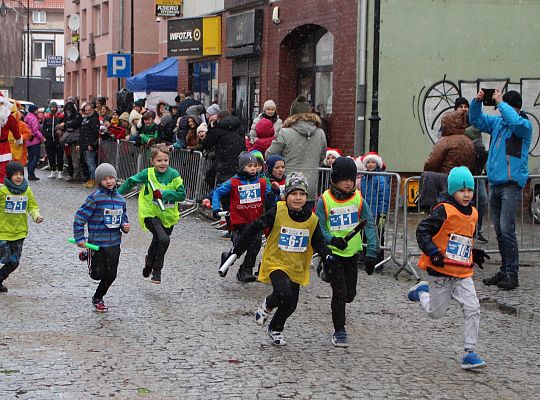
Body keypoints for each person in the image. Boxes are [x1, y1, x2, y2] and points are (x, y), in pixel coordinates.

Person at [230, 172, 334, 346]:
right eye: (294, 194)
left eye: (302, 194)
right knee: (282, 292)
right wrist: (238, 249)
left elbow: (319, 243)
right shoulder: (277, 211)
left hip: (296, 266)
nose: (298, 198)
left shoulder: (312, 219)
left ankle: (275, 328)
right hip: (275, 261)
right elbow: (254, 227)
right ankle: (268, 305)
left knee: (290, 305)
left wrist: (327, 255)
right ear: (286, 195)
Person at [408, 166, 489, 370]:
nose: (466, 194)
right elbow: (422, 231)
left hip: (462, 273)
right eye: (462, 190)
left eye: (469, 190)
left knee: (473, 307)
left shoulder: (474, 213)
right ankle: (421, 292)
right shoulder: (443, 210)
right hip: (441, 271)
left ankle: (470, 353)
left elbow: (464, 238)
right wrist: (433, 252)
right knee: (436, 313)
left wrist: (474, 252)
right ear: (452, 190)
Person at [469, 89, 532, 290]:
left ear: (514, 108)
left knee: (507, 229)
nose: (500, 109)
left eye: (505, 106)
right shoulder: (498, 124)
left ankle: (512, 273)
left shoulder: (523, 126)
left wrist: (500, 103)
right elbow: (476, 120)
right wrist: (477, 102)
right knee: (499, 230)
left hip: (511, 186)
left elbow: (514, 122)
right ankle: (505, 269)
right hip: (495, 184)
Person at [316, 157, 379, 347]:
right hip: (333, 254)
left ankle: (327, 276)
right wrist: (332, 240)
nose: (348, 183)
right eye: (344, 179)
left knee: (350, 294)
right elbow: (319, 228)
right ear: (335, 179)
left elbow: (369, 225)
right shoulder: (324, 201)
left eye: (351, 179)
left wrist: (372, 254)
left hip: (352, 254)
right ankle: (339, 330)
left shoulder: (359, 200)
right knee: (340, 293)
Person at [118, 144, 186, 284]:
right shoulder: (147, 173)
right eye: (159, 160)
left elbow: (182, 195)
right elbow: (131, 181)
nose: (163, 163)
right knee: (164, 239)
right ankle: (157, 271)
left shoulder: (174, 174)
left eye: (165, 160)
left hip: (168, 215)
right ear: (152, 161)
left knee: (158, 240)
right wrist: (114, 195)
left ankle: (149, 262)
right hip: (150, 212)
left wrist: (164, 193)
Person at [73, 163, 130, 312]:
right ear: (99, 181)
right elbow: (80, 217)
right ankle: (88, 253)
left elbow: (123, 217)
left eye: (111, 178)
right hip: (97, 243)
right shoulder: (94, 199)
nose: (109, 181)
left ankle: (98, 297)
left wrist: (125, 225)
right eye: (104, 179)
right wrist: (79, 237)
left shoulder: (120, 199)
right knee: (96, 274)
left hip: (114, 243)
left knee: (111, 274)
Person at [212, 152, 273, 282]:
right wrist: (216, 208)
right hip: (239, 219)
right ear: (241, 167)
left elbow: (271, 196)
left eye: (255, 165)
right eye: (249, 165)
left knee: (254, 244)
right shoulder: (234, 182)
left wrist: (276, 193)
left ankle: (244, 269)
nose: (253, 168)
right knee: (248, 242)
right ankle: (238, 264)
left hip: (256, 219)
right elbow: (217, 192)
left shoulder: (262, 182)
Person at [266, 113, 327, 208]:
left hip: (289, 185)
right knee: (307, 219)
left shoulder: (285, 132)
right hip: (310, 186)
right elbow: (322, 156)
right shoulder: (320, 133)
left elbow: (270, 155)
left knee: (285, 219)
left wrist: (280, 165)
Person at [0, 162, 44, 293]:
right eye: (15, 174)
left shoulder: (27, 190)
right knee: (5, 257)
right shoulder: (2, 190)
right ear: (9, 176)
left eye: (21, 174)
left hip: (19, 232)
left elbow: (32, 206)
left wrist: (36, 216)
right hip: (2, 231)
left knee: (14, 262)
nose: (19, 177)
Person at [456, 97, 488, 244]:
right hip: (459, 172)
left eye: (465, 106)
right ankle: (461, 231)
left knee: (481, 200)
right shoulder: (450, 124)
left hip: (475, 171)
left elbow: (481, 148)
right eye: (460, 106)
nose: (464, 108)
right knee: (460, 202)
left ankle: (476, 229)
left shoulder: (473, 124)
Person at [358, 151, 390, 264]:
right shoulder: (364, 176)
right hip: (365, 210)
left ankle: (377, 258)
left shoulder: (381, 177)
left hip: (376, 210)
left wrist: (382, 212)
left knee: (377, 234)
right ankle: (365, 255)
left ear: (377, 164)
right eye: (368, 162)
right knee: (364, 234)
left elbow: (384, 196)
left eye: (373, 162)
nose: (370, 165)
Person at [201, 112, 246, 185]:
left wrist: (211, 126)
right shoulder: (239, 127)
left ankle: (217, 194)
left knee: (215, 180)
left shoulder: (218, 129)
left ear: (219, 119)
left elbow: (206, 144)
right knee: (237, 183)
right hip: (240, 160)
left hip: (224, 162)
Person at [0, 97, 22, 183]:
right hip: (4, 147)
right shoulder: (8, 117)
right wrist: (18, 139)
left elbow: (15, 130)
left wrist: (18, 138)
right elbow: (15, 131)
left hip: (3, 148)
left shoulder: (8, 117)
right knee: (2, 171)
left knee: (3, 171)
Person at [79, 103, 100, 188]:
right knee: (88, 163)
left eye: (88, 110)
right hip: (84, 143)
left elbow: (94, 133)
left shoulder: (94, 119)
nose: (87, 112)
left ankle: (93, 179)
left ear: (92, 110)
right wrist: (80, 143)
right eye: (86, 110)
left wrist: (91, 144)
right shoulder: (85, 119)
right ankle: (90, 179)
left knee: (91, 163)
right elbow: (82, 132)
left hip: (89, 144)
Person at [42, 101, 65, 179]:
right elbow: (44, 128)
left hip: (58, 139)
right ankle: (52, 170)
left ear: (56, 108)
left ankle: (60, 171)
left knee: (59, 156)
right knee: (51, 156)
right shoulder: (46, 117)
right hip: (49, 139)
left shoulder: (61, 116)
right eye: (51, 107)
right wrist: (44, 137)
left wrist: (61, 133)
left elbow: (64, 127)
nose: (53, 108)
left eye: (54, 107)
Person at [61, 102, 83, 182]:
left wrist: (65, 125)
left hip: (75, 141)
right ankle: (72, 175)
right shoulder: (67, 117)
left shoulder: (77, 116)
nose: (68, 112)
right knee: (70, 159)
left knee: (75, 159)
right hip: (68, 141)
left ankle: (76, 176)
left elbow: (75, 124)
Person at [23, 105, 45, 181]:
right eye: (36, 110)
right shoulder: (34, 119)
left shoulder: (27, 118)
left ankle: (30, 174)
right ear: (34, 110)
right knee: (36, 157)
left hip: (28, 141)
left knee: (31, 158)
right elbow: (36, 131)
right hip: (34, 141)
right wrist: (42, 138)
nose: (38, 111)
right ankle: (31, 173)